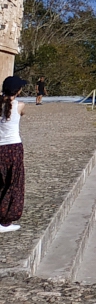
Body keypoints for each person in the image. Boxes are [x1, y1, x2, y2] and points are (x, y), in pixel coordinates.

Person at [0, 75, 28, 233]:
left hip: (0, 148)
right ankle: (6, 219)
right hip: (14, 148)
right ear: (17, 91)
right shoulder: (20, 105)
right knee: (13, 183)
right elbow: (21, 114)